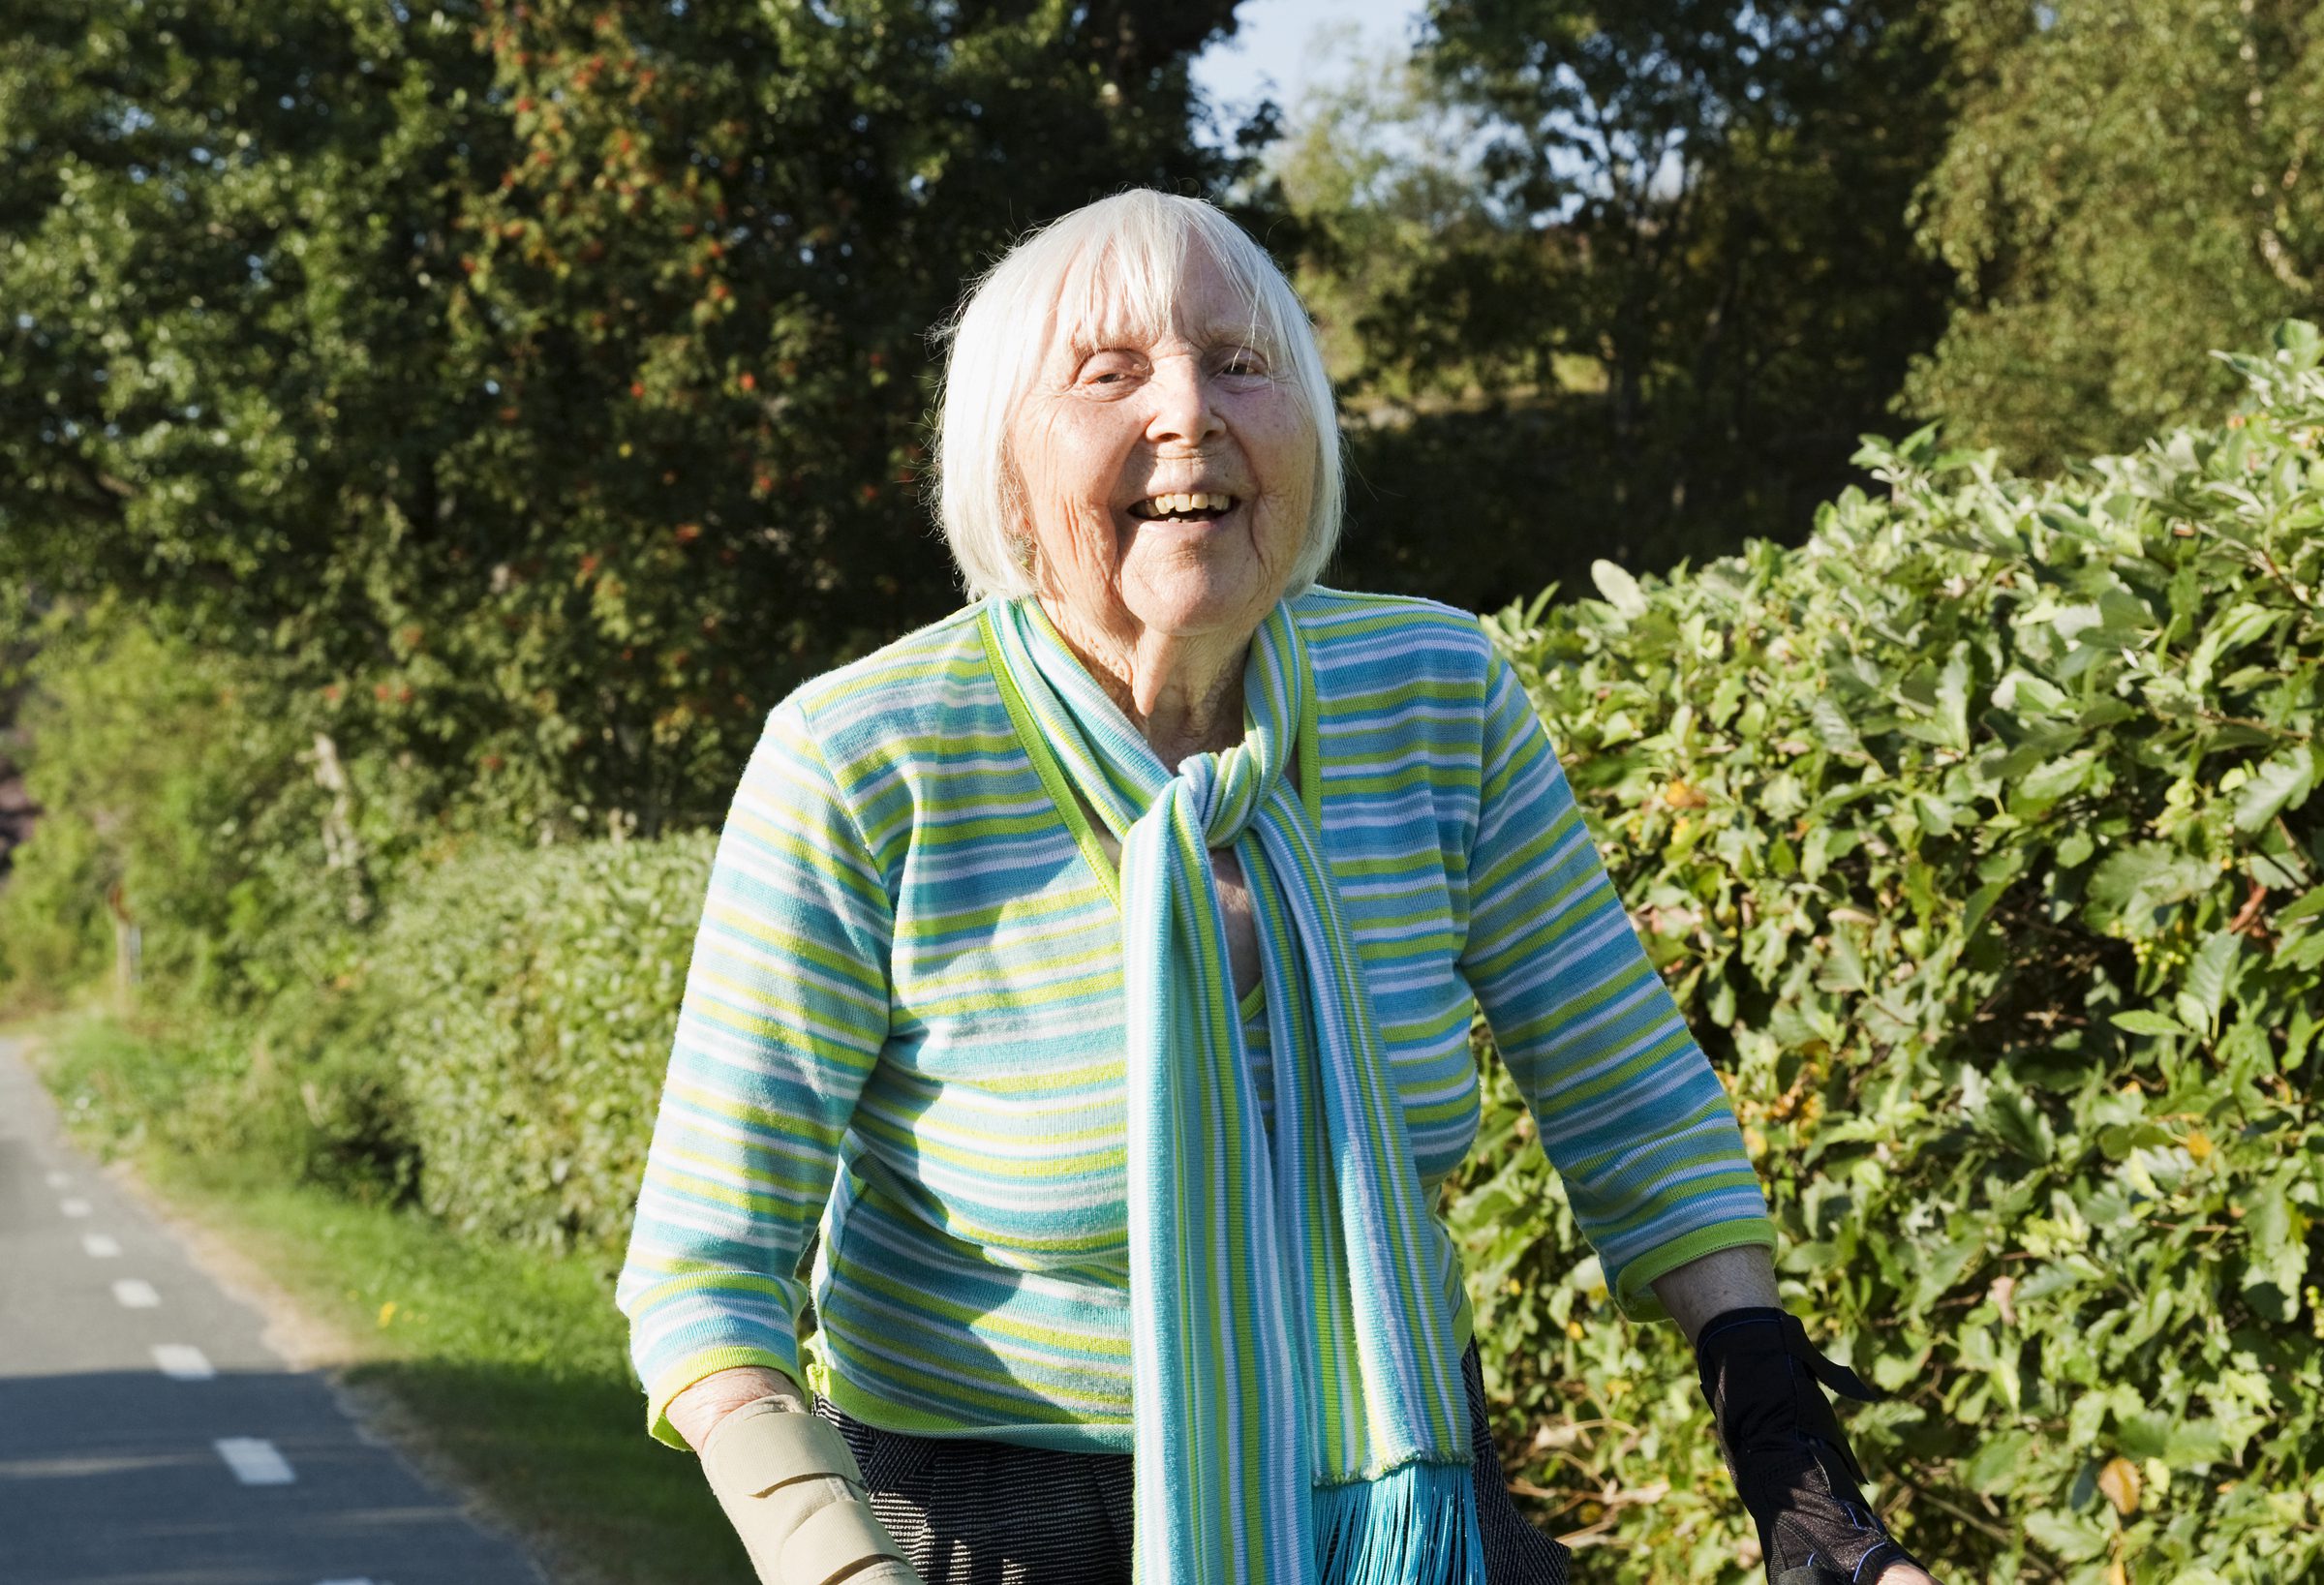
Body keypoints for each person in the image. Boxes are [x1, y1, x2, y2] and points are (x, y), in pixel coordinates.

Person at [614, 188, 1941, 1585]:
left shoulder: (1432, 694)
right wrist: (837, 1565)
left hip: (1400, 1513)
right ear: (1006, 470)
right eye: (1109, 373)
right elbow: (706, 1274)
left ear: (1307, 436)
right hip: (1001, 1525)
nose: (1191, 413)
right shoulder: (867, 755)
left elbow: (1632, 1100)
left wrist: (1808, 1497)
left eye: (1244, 364)